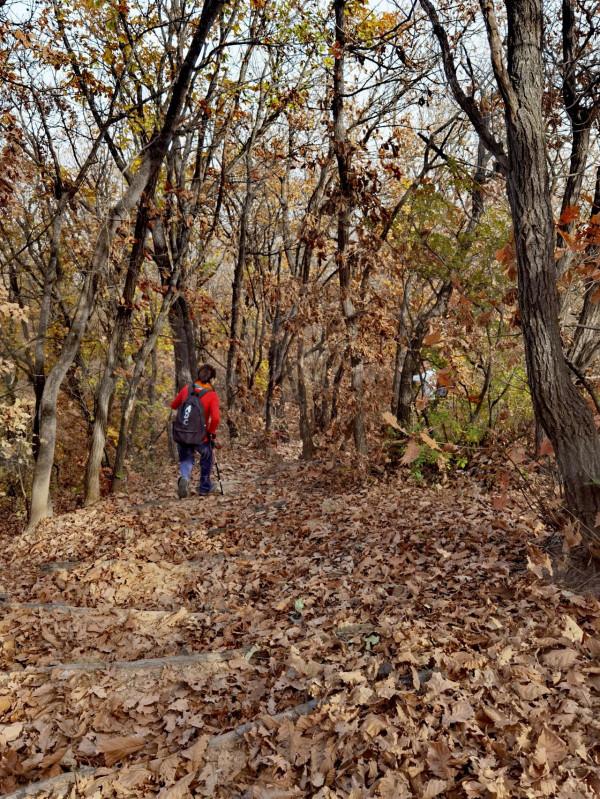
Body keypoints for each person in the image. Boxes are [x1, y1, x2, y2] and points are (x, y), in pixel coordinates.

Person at [170, 364, 220, 498]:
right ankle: (204, 487)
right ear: (212, 379)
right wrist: (211, 432)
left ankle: (185, 478)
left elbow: (173, 405)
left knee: (186, 458)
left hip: (183, 432)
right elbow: (215, 418)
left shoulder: (187, 389)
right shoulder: (212, 395)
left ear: (198, 376)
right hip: (200, 436)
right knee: (207, 456)